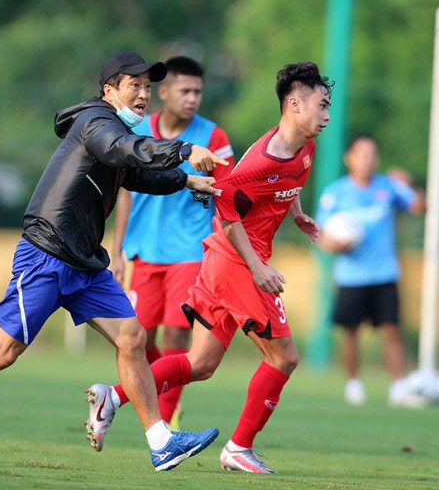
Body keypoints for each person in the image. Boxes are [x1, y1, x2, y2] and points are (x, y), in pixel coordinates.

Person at [0, 51, 229, 471]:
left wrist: (185, 179)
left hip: (85, 263)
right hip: (47, 254)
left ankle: (161, 442)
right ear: (110, 90)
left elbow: (135, 173)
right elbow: (124, 150)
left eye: (147, 86)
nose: (144, 95)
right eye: (134, 85)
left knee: (133, 339)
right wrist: (185, 150)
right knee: (2, 352)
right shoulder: (97, 123)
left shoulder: (115, 130)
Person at [84, 61, 333, 474]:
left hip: (224, 261)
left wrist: (297, 213)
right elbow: (227, 209)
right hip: (237, 260)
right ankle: (239, 448)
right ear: (294, 104)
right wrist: (256, 268)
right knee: (284, 358)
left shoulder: (305, 145)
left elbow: (289, 183)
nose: (326, 116)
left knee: (200, 363)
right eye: (321, 106)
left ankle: (111, 396)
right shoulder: (258, 163)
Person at [109, 56, 235, 429]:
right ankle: (163, 387)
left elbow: (228, 190)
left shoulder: (214, 137)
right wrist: (116, 253)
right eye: (185, 90)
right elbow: (125, 193)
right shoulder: (135, 128)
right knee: (135, 337)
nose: (193, 97)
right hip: (144, 250)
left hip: (190, 252)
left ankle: (164, 421)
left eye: (198, 91)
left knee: (179, 330)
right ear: (163, 93)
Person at [314, 134, 426, 408]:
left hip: (385, 273)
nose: (367, 159)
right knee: (350, 331)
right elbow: (320, 233)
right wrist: (334, 245)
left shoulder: (389, 187)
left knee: (391, 330)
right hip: (351, 276)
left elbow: (420, 208)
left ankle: (399, 387)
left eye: (372, 154)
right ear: (349, 158)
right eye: (361, 154)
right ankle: (353, 384)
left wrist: (409, 183)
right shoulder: (336, 192)